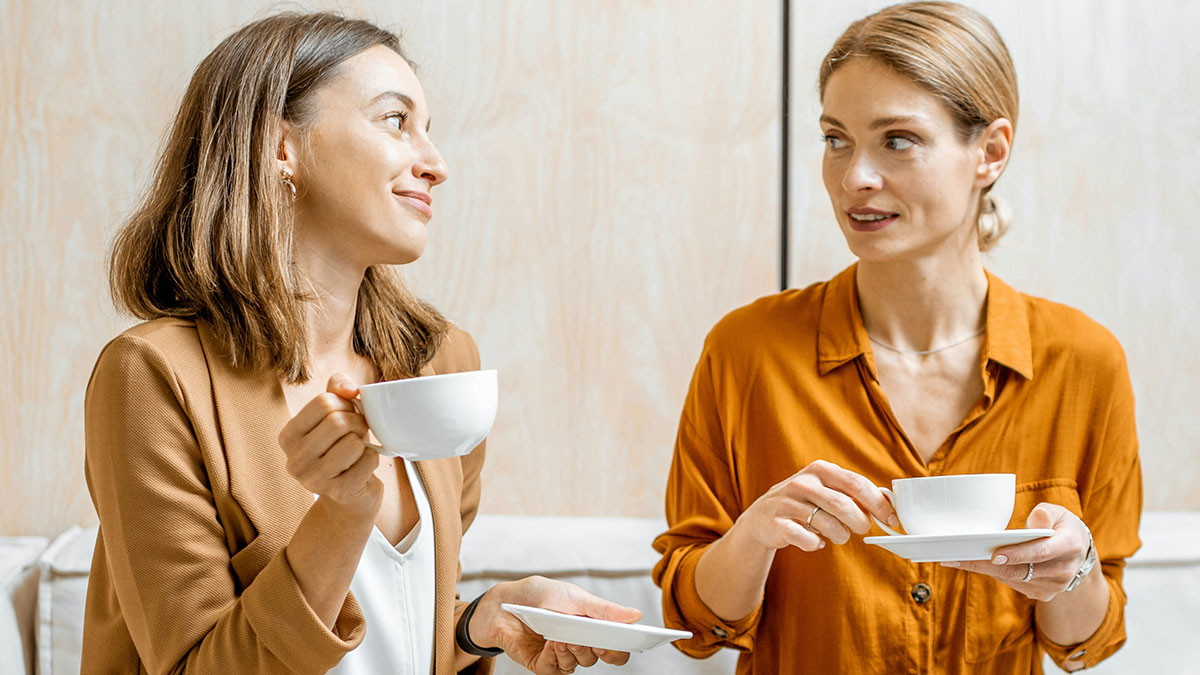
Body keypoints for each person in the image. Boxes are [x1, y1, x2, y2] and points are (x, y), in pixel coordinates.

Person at [82, 13, 640, 675]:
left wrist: (478, 619)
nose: (436, 165)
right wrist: (342, 515)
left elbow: (396, 627)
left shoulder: (438, 365)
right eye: (396, 120)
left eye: (428, 130)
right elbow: (198, 665)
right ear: (279, 147)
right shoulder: (155, 377)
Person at [652, 2, 1141, 673]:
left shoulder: (1084, 362)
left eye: (897, 140)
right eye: (835, 139)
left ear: (990, 153)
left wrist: (1075, 566)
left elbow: (1086, 640)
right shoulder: (746, 352)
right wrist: (753, 536)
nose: (854, 177)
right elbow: (696, 620)